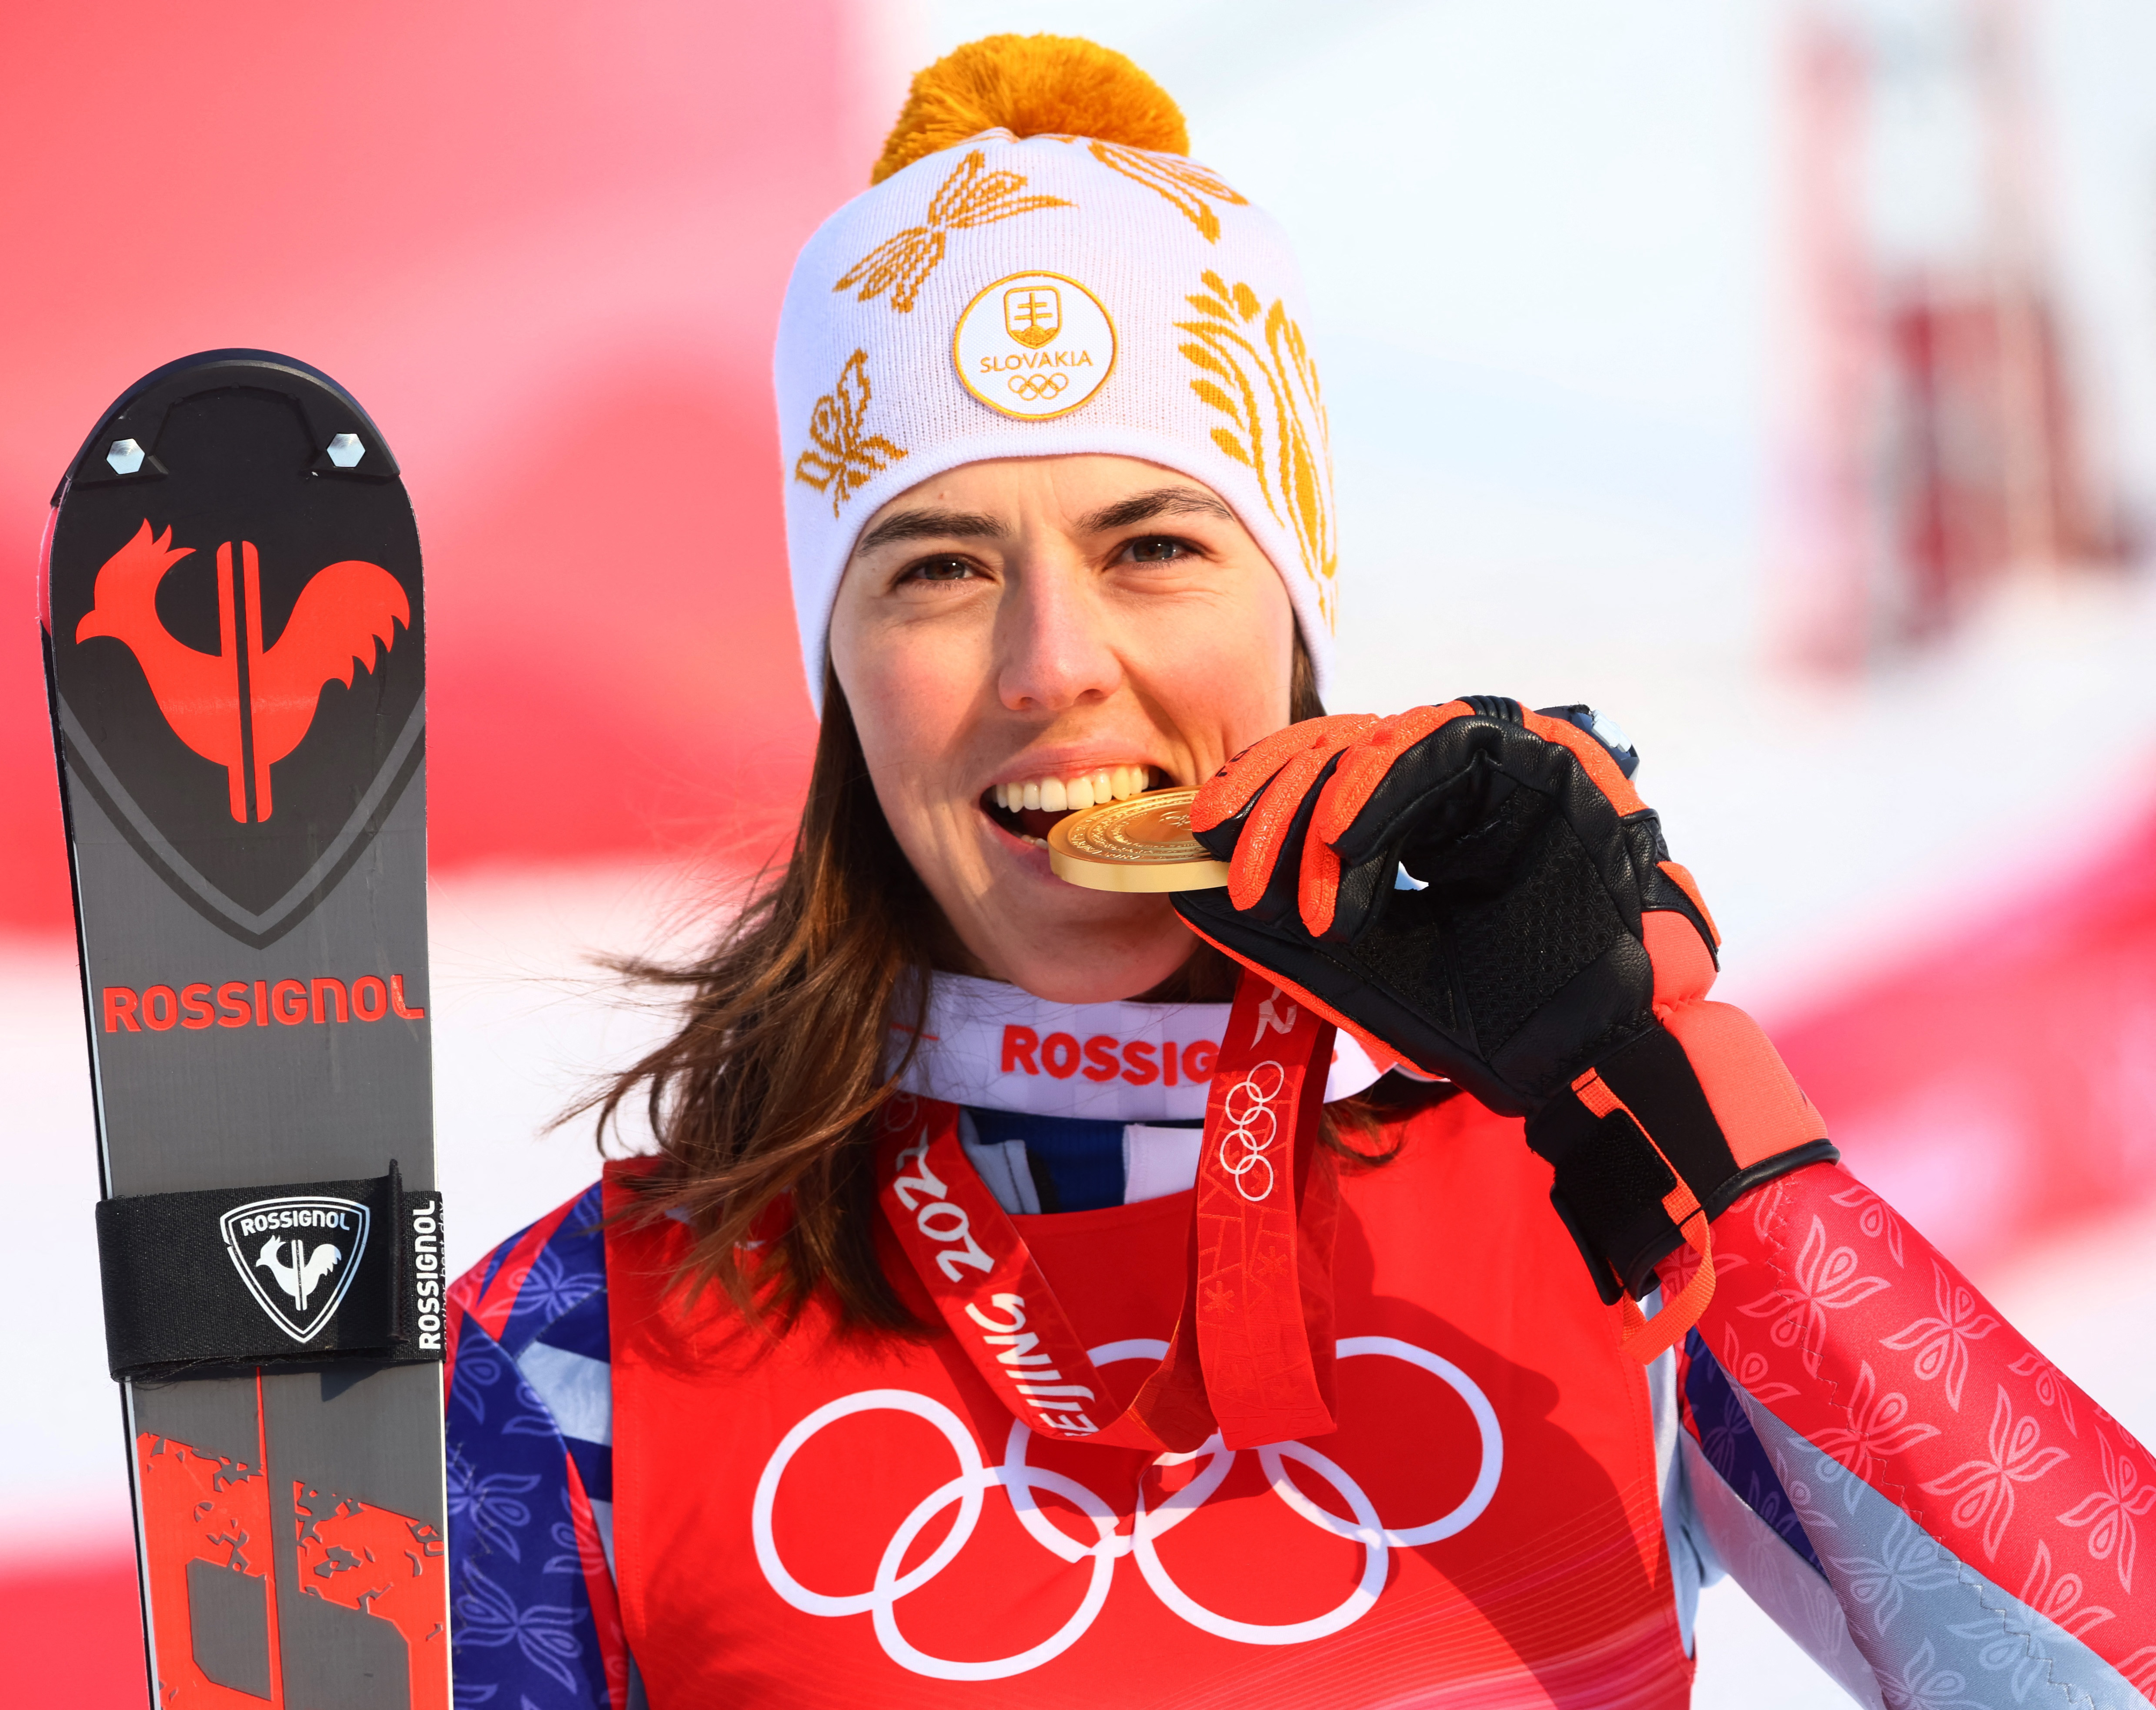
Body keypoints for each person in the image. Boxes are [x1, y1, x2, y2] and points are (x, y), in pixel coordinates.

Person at [444, 35, 2155, 1710]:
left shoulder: (1591, 1216)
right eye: (939, 568)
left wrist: (1681, 1114)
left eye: (1157, 546)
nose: (1054, 663)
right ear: (844, 674)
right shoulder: (581, 1347)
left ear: (1294, 618)